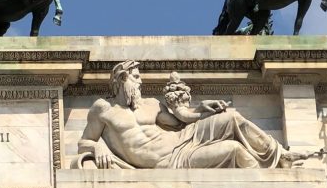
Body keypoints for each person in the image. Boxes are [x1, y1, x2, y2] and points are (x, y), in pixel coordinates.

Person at [79, 61, 310, 169]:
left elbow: (181, 119)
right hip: (171, 161)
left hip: (183, 139)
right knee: (234, 150)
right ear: (122, 79)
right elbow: (83, 142)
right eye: (136, 77)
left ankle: (280, 155)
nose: (140, 82)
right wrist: (96, 147)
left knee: (231, 117)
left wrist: (201, 109)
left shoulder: (149, 104)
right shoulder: (102, 109)